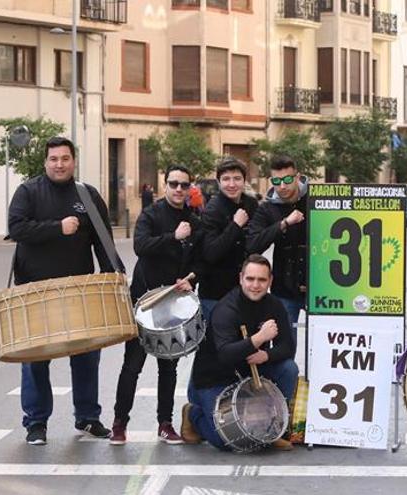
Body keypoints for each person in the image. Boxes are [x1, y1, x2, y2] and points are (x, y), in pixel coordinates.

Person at [7, 136, 116, 445]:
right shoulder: (28, 192)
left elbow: (103, 241)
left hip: (79, 289)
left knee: (85, 356)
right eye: (54, 159)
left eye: (65, 158)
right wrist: (58, 227)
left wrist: (113, 277)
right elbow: (16, 228)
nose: (59, 164)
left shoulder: (87, 194)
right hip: (35, 291)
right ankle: (36, 423)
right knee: (36, 360)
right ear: (45, 162)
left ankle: (88, 418)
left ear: (73, 161)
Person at [110, 165, 202, 445]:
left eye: (184, 185)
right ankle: (119, 423)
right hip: (144, 301)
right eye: (173, 183)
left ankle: (165, 423)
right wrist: (173, 237)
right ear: (165, 186)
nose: (178, 189)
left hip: (173, 306)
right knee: (132, 366)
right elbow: (140, 246)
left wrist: (192, 280)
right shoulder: (151, 214)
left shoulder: (194, 219)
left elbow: (200, 258)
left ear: (189, 188)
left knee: (168, 367)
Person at [182, 254, 298, 451]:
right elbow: (225, 354)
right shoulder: (226, 309)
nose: (255, 285)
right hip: (216, 378)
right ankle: (193, 414)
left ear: (270, 281)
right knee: (227, 440)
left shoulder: (274, 305)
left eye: (262, 280)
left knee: (288, 368)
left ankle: (275, 427)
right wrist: (258, 339)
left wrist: (267, 355)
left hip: (251, 372)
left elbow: (288, 347)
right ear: (241, 278)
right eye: (250, 279)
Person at [246, 155, 307, 347]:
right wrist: (283, 224)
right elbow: (252, 245)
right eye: (277, 181)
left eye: (288, 179)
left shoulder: (317, 199)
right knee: (285, 345)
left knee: (325, 342)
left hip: (321, 286)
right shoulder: (267, 209)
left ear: (297, 177)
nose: (283, 186)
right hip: (285, 288)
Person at [199, 157, 259, 323]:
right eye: (226, 179)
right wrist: (235, 225)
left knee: (243, 343)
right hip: (215, 293)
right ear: (219, 182)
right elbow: (211, 253)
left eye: (237, 179)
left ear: (244, 181)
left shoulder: (251, 204)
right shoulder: (212, 209)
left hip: (246, 290)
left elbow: (257, 241)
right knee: (213, 345)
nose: (232, 184)